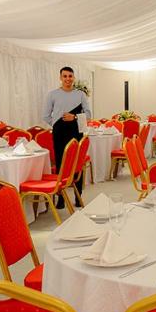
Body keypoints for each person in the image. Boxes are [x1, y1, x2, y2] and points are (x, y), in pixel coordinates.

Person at [42, 66, 91, 208]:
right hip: (59, 133)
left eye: (70, 76)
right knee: (61, 163)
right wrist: (57, 125)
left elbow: (88, 115)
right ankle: (61, 198)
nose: (68, 79)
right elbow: (45, 116)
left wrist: (74, 117)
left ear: (73, 78)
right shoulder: (52, 94)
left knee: (76, 163)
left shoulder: (80, 94)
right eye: (65, 76)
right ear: (60, 78)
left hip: (76, 132)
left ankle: (78, 196)